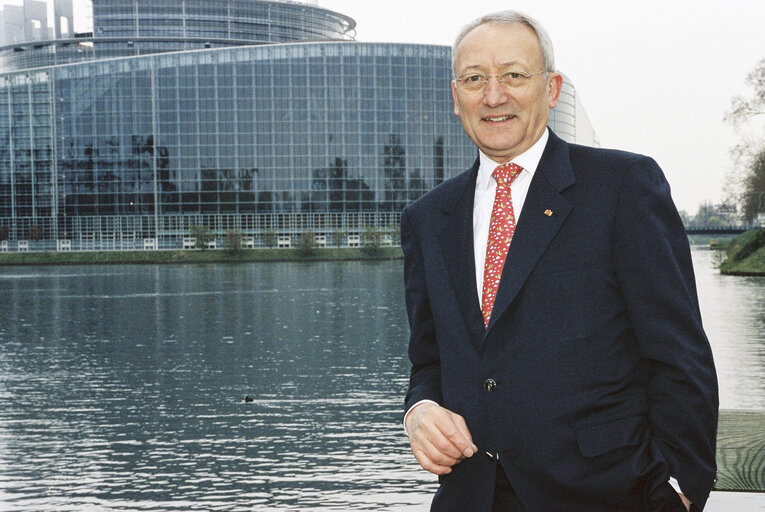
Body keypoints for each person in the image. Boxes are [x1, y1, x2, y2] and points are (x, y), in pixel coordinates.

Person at [400, 10, 718, 512]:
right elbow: (429, 359)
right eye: (475, 79)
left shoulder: (623, 187)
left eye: (513, 75)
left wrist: (677, 488)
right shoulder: (426, 219)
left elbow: (680, 358)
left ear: (551, 88)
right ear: (455, 97)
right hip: (470, 497)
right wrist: (418, 409)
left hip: (608, 495)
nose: (494, 95)